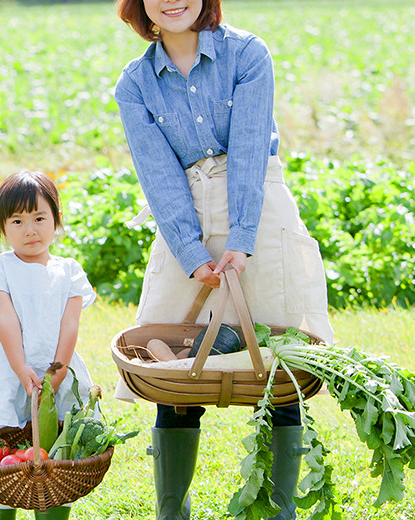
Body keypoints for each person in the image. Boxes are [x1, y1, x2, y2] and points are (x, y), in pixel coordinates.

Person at [109, 0, 338, 518]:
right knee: (174, 364)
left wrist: (241, 239)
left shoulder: (248, 54)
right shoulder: (135, 84)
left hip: (260, 207)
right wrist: (192, 256)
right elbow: (159, 177)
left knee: (280, 366)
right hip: (183, 214)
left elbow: (253, 149)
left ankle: (281, 510)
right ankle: (173, 512)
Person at [0, 170, 100, 520]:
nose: (30, 230)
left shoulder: (69, 270)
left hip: (58, 370)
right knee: (3, 460)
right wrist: (21, 369)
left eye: (40, 218)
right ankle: (1, 511)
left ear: (56, 220)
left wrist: (55, 376)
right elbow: (5, 320)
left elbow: (70, 325)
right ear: (3, 228)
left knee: (56, 455)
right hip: (12, 373)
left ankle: (53, 512)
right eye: (18, 221)